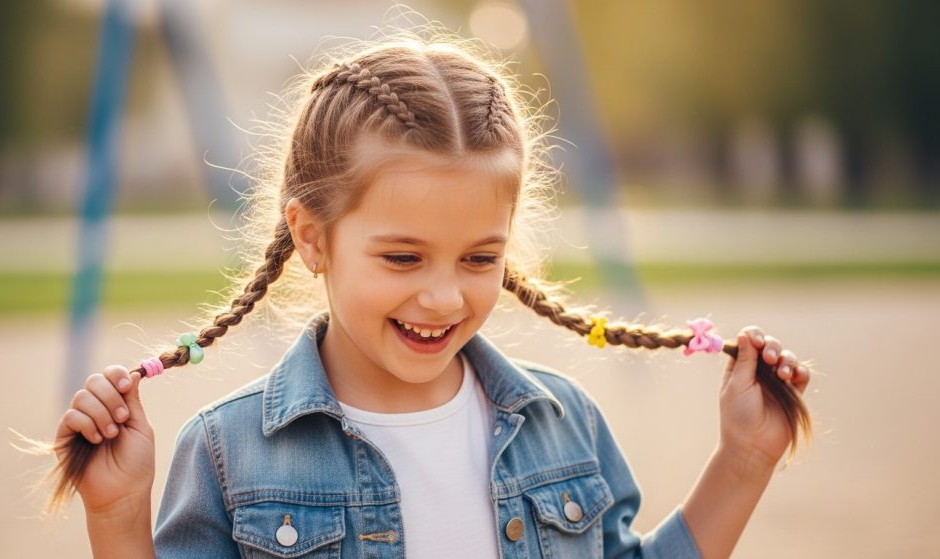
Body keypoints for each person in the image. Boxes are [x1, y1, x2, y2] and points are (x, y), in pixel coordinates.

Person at [48, 28, 812, 559]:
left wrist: (744, 458)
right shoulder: (227, 452)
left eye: (480, 256)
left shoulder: (565, 423)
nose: (444, 297)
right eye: (404, 256)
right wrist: (118, 519)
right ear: (312, 238)